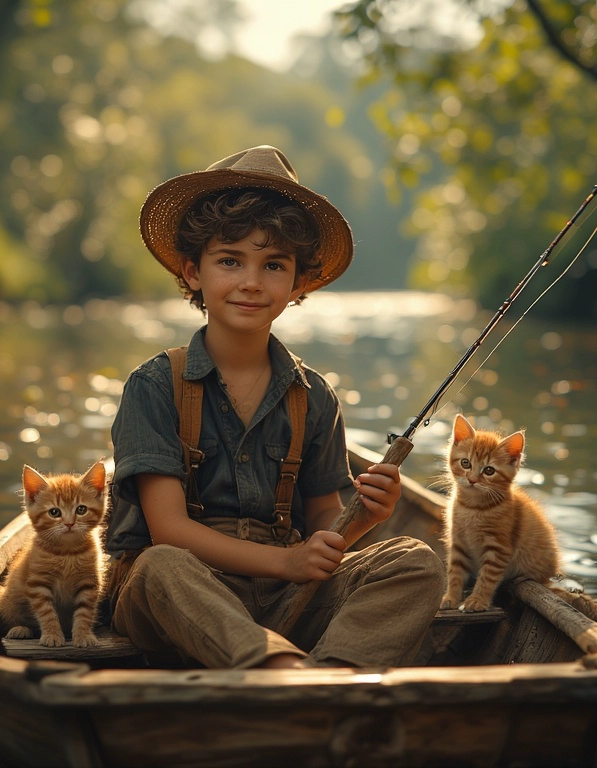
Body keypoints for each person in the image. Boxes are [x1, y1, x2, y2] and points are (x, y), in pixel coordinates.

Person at [105, 145, 444, 669]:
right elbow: (168, 529)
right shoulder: (153, 385)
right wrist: (287, 560)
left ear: (297, 283)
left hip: (286, 597)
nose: (251, 282)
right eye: (229, 260)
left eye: (274, 265)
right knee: (159, 565)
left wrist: (364, 519)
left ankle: (331, 674)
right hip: (186, 597)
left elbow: (323, 521)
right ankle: (281, 673)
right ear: (193, 272)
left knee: (414, 562)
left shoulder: (314, 396)